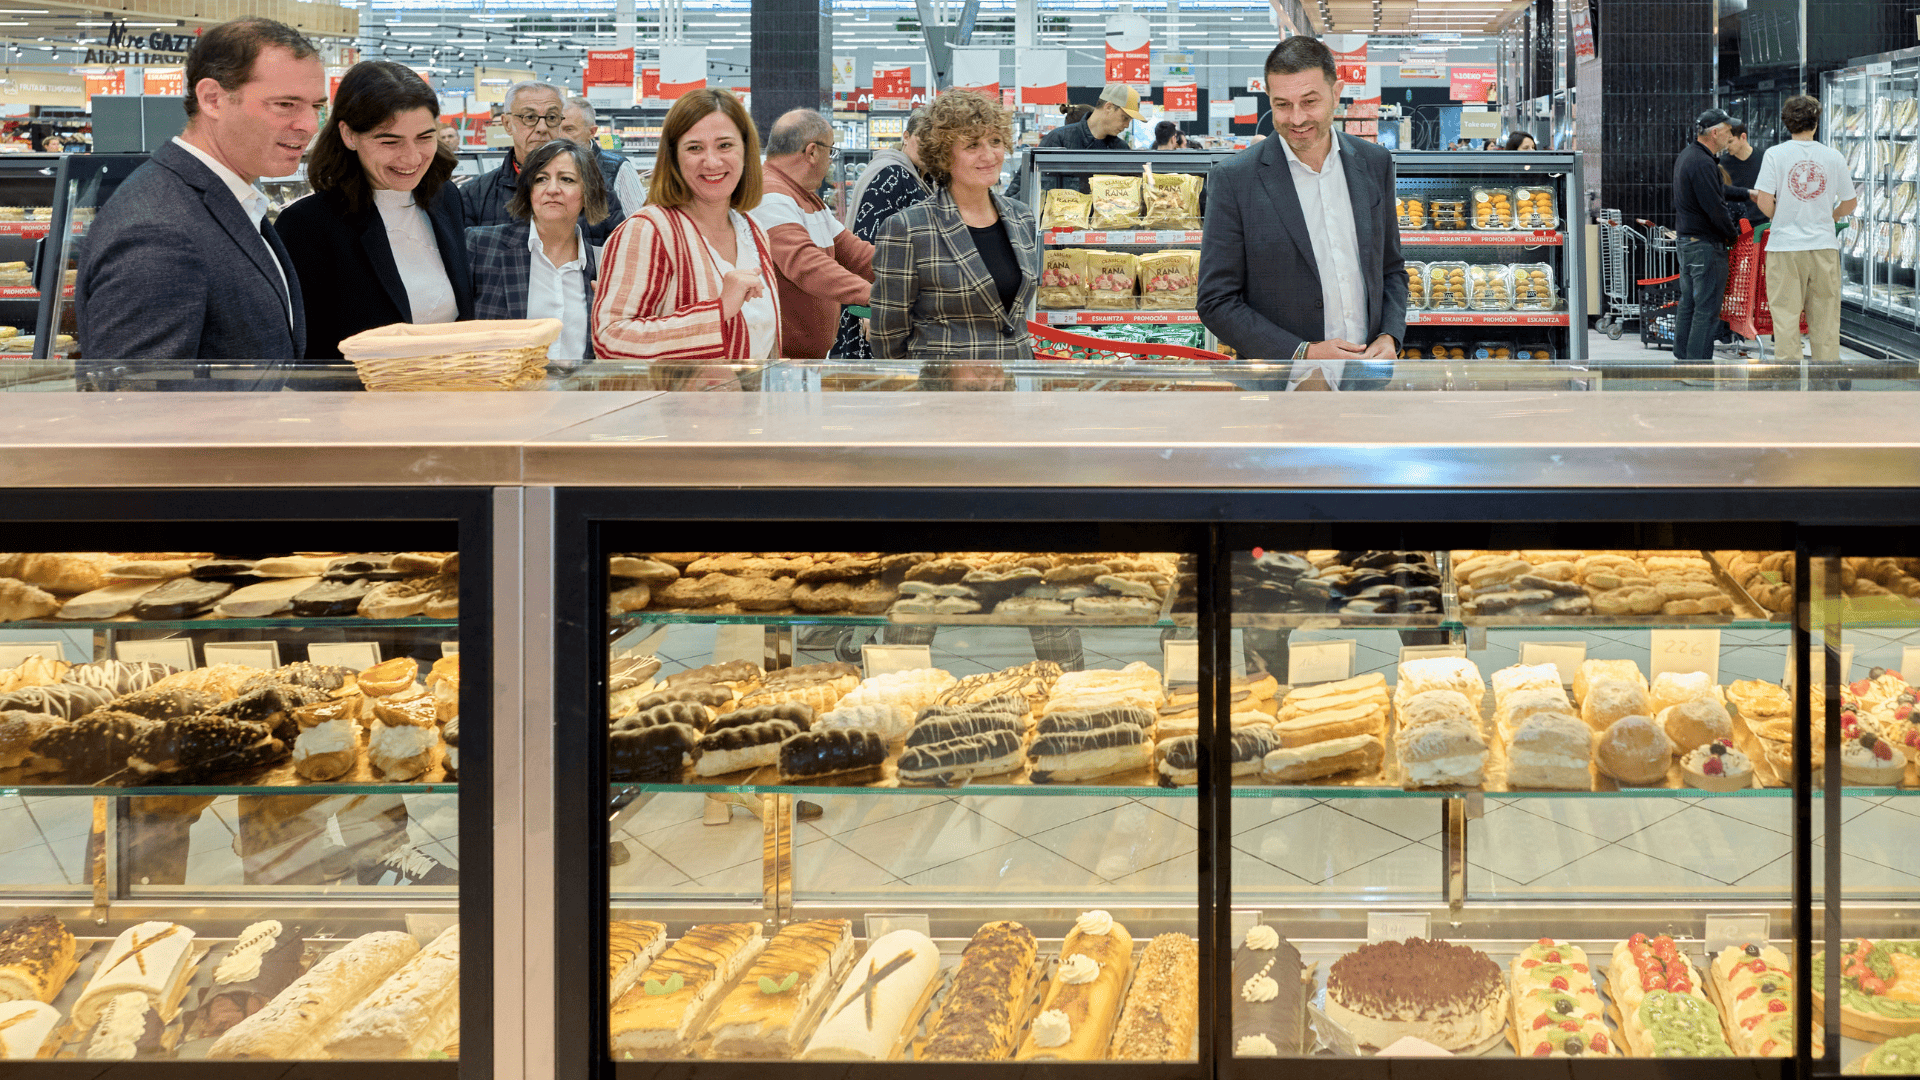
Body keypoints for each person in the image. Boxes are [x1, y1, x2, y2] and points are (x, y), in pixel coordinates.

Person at [74, 17, 324, 361]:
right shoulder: (158, 228)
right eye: (285, 104)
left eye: (317, 106)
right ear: (212, 99)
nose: (309, 125)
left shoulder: (226, 199)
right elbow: (136, 402)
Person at [1197, 37, 1404, 390]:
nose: (1296, 118)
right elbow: (1217, 301)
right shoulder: (1235, 179)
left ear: (1336, 92)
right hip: (1283, 387)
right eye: (1282, 104)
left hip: (1365, 381)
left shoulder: (1374, 164)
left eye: (1310, 102)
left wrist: (1390, 335)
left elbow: (1390, 269)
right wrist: (1302, 353)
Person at [273, 61, 474, 361]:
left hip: (448, 396)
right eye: (390, 141)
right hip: (358, 403)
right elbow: (308, 352)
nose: (412, 157)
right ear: (349, 135)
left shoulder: (445, 200)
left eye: (424, 137)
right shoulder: (307, 226)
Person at [593, 88, 780, 362]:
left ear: (746, 150)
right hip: (672, 405)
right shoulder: (649, 230)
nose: (712, 161)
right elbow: (610, 339)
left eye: (725, 145)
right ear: (674, 158)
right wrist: (718, 310)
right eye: (694, 148)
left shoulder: (752, 230)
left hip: (748, 403)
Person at [870, 89, 1039, 362]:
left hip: (1014, 383)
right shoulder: (908, 229)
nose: (989, 155)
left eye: (995, 141)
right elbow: (888, 336)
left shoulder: (1021, 218)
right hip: (944, 391)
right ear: (943, 155)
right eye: (972, 145)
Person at [468, 138, 609, 366]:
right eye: (541, 179)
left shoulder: (604, 265)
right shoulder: (482, 246)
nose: (552, 189)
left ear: (587, 192)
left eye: (567, 179)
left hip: (580, 398)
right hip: (502, 397)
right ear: (528, 190)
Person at [750, 109, 874, 359]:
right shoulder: (769, 195)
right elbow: (806, 264)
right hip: (777, 364)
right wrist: (874, 295)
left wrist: (913, 274)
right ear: (813, 152)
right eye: (831, 151)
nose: (831, 160)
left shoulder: (808, 199)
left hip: (802, 362)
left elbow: (855, 253)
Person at [1752, 94, 1857, 363]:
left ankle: (1789, 388)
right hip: (1823, 246)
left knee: (1786, 319)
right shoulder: (1832, 156)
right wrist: (1831, 216)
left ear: (1786, 122)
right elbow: (1850, 202)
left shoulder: (1775, 154)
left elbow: (1763, 199)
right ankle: (1827, 384)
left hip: (1785, 247)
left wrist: (1783, 217)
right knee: (1825, 321)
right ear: (1816, 122)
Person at [463, 80, 624, 244]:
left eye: (552, 117)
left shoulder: (597, 189)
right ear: (507, 124)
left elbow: (619, 255)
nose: (542, 127)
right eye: (529, 117)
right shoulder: (474, 194)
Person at [829, 108, 930, 359]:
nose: (930, 147)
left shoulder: (917, 176)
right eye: (923, 138)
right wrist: (870, 310)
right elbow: (867, 242)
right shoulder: (893, 174)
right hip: (877, 310)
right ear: (906, 136)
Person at [1671, 107, 1742, 361]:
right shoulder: (1702, 161)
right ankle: (1698, 366)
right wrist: (1732, 236)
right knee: (1707, 309)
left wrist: (1748, 193)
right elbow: (1715, 207)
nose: (1730, 136)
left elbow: (1716, 190)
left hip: (1688, 242)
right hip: (1705, 245)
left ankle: (1683, 356)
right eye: (1727, 131)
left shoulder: (1690, 156)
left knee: (1689, 302)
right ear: (1714, 133)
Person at [1005, 84, 1141, 201]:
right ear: (1109, 107)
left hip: (1106, 229)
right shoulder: (1058, 139)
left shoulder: (1121, 149)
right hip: (1059, 228)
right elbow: (1021, 189)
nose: (1127, 125)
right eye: (1125, 118)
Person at [561, 95, 647, 215]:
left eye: (569, 129)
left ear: (592, 132)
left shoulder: (618, 169)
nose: (560, 136)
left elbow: (638, 223)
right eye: (556, 129)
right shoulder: (543, 166)